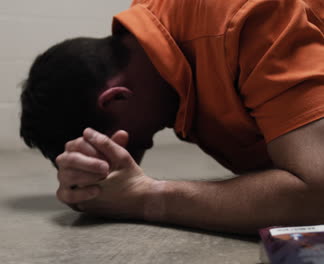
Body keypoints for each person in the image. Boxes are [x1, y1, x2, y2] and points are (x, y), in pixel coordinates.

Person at [20, 0, 324, 234]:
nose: (139, 157)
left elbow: (318, 194)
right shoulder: (159, 40)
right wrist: (87, 184)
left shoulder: (246, 16)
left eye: (138, 144)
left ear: (118, 98)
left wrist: (148, 198)